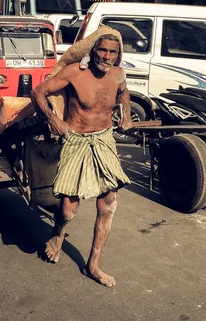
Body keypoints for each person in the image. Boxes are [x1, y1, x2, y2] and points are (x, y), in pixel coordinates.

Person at [30, 33, 132, 287]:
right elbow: (38, 91)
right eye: (103, 51)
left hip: (104, 140)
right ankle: (58, 230)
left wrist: (126, 112)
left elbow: (124, 92)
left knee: (108, 203)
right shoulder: (75, 72)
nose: (107, 56)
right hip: (76, 141)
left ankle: (93, 265)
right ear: (93, 50)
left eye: (112, 52)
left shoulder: (118, 74)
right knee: (68, 209)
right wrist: (53, 119)